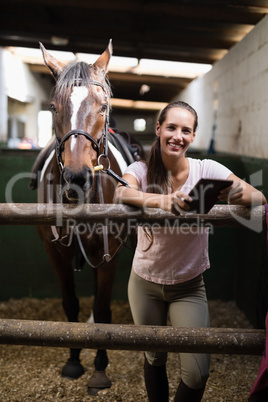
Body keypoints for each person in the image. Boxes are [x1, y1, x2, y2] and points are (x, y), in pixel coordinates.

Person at [115, 100, 267, 402]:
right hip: (144, 282)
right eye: (171, 127)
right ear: (158, 129)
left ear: (193, 136)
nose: (177, 136)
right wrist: (164, 201)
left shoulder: (206, 169)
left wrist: (235, 193)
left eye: (186, 130)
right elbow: (122, 191)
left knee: (198, 373)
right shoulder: (141, 169)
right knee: (154, 356)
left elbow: (258, 196)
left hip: (188, 286)